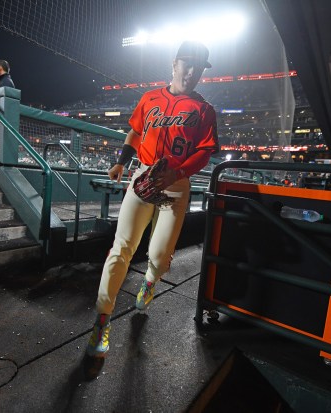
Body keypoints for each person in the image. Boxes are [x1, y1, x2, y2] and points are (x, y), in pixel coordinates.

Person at [85, 40, 219, 360]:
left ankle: (149, 281)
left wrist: (179, 173)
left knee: (159, 257)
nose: (191, 71)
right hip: (142, 177)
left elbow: (205, 151)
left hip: (176, 184)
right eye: (187, 63)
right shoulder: (149, 98)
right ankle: (102, 319)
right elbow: (135, 131)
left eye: (198, 67)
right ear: (174, 63)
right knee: (122, 248)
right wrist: (121, 161)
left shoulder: (203, 109)